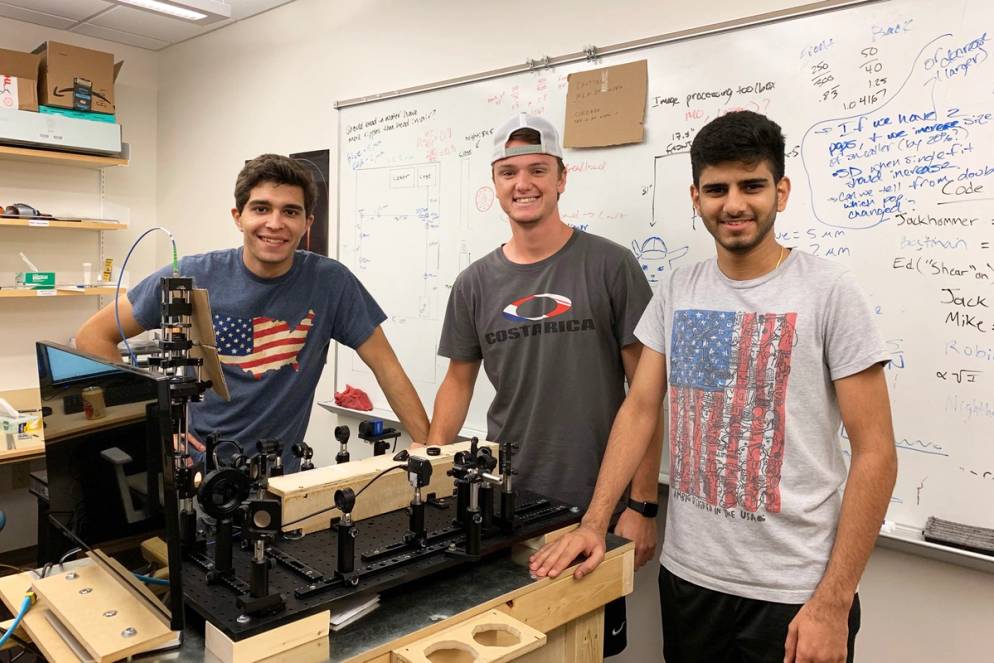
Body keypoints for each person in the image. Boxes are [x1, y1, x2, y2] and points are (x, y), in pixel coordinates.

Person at [529, 111, 898, 663]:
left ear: (782, 190)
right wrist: (594, 523)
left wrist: (833, 601)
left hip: (794, 594)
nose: (734, 204)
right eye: (717, 189)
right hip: (691, 579)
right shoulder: (681, 288)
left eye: (752, 185)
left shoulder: (829, 292)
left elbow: (876, 453)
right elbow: (641, 407)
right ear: (696, 196)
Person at [426, 113, 664, 657]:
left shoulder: (610, 266)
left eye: (538, 169)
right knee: (516, 649)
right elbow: (457, 383)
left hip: (594, 505)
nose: (523, 183)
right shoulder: (473, 284)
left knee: (586, 649)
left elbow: (647, 395)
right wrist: (432, 470)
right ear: (495, 184)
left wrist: (643, 506)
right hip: (504, 505)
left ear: (562, 177)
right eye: (509, 172)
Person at [75, 154, 429, 471]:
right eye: (261, 208)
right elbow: (93, 336)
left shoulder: (330, 282)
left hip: (280, 476)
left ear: (307, 223)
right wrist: (150, 422)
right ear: (238, 217)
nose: (275, 223)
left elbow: (387, 366)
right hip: (194, 470)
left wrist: (429, 448)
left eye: (290, 211)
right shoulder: (189, 276)